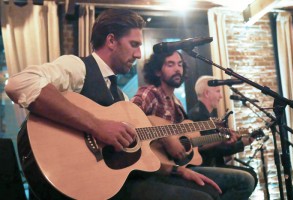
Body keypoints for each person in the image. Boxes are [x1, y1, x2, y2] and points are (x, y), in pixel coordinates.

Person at [5, 9, 222, 200]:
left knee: (210, 191)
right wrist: (97, 126)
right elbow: (20, 83)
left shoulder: (120, 97)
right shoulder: (78, 67)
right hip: (79, 184)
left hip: (111, 182)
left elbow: (140, 158)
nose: (138, 54)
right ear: (111, 41)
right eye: (134, 44)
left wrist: (175, 170)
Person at [131, 51, 255, 200]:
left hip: (179, 166)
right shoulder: (149, 93)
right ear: (157, 71)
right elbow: (129, 120)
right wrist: (166, 137)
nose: (177, 69)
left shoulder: (177, 104)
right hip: (154, 170)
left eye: (180, 64)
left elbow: (193, 144)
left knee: (245, 179)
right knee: (239, 182)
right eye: (170, 64)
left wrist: (220, 139)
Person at [188, 75, 258, 187]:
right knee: (249, 176)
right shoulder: (198, 116)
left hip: (211, 165)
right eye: (217, 91)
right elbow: (210, 150)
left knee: (250, 174)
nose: (221, 96)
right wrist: (242, 143)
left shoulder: (204, 115)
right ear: (207, 93)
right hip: (205, 168)